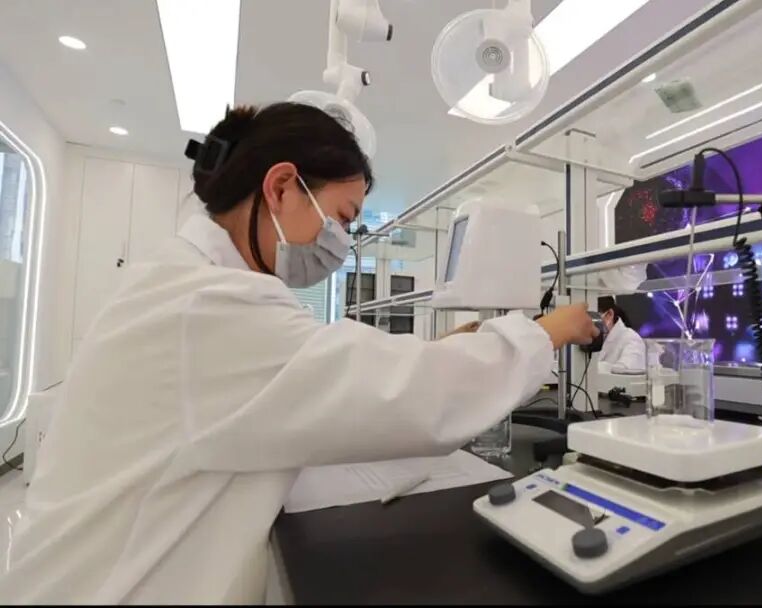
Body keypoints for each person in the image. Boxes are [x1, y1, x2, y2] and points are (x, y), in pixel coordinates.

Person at [0, 103, 598, 604]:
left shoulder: (188, 284)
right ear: (282, 187)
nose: (337, 244)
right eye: (342, 218)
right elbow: (395, 394)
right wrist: (544, 332)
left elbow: (321, 377)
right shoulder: (206, 305)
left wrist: (438, 350)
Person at [596, 296, 647, 372]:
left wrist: (592, 367)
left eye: (594, 317)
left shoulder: (632, 339)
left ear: (609, 314)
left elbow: (625, 371)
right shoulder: (598, 337)